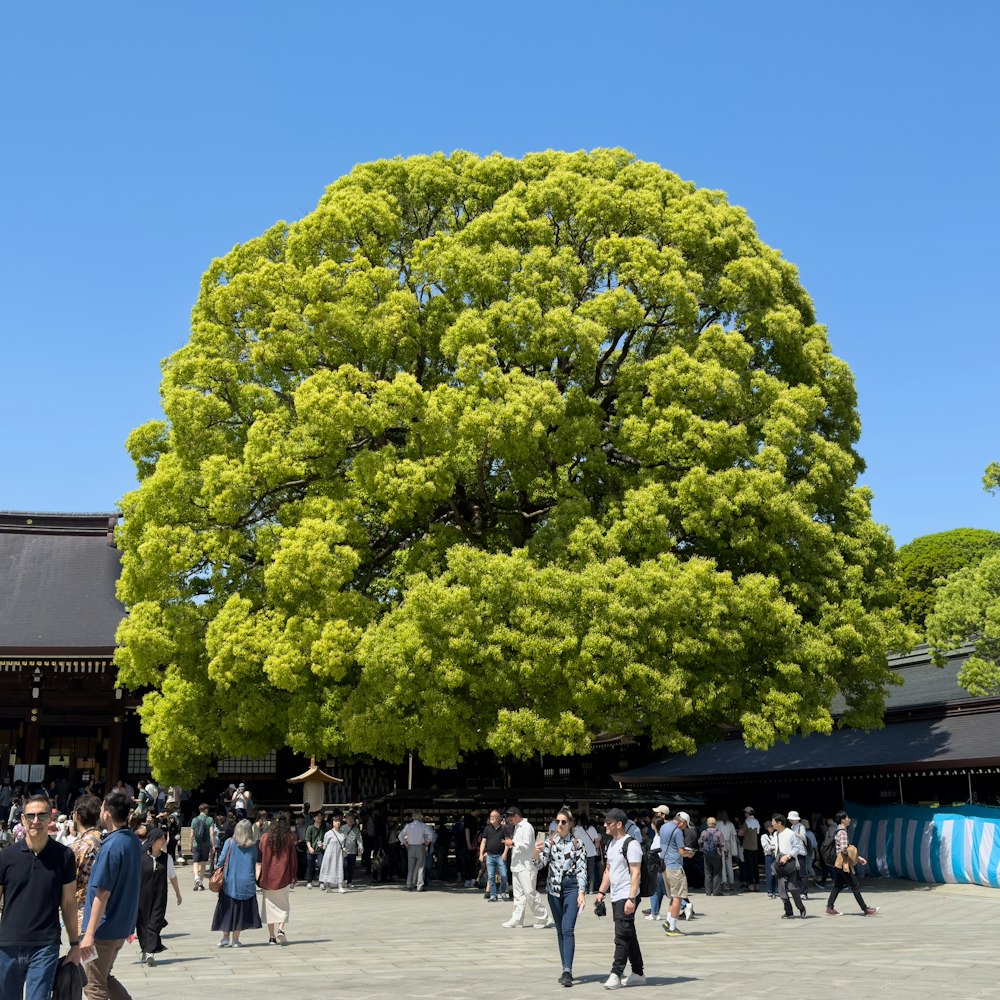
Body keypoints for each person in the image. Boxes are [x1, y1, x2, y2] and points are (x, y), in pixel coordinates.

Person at [0, 792, 81, 1000]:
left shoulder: (64, 856)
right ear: (23, 819)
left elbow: (69, 903)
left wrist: (74, 944)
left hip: (45, 945)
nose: (36, 821)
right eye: (31, 816)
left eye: (42, 815)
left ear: (51, 819)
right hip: (7, 944)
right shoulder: (6, 857)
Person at [80, 790, 142, 1000]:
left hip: (103, 929)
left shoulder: (111, 846)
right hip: (120, 925)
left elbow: (103, 892)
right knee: (104, 977)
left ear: (106, 813)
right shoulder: (131, 840)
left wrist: (89, 934)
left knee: (94, 986)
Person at [534, 807, 587, 988]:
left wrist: (581, 892)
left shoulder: (577, 843)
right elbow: (540, 865)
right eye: (558, 821)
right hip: (553, 890)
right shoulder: (550, 842)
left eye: (564, 822)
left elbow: (582, 869)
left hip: (571, 887)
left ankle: (567, 970)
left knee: (567, 929)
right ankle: (564, 968)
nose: (560, 825)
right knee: (559, 931)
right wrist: (536, 852)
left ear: (570, 824)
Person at [594, 807, 644, 990]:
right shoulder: (611, 844)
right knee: (629, 934)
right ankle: (638, 973)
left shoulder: (631, 844)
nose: (605, 825)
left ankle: (616, 973)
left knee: (621, 936)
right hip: (616, 895)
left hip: (627, 895)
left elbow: (636, 872)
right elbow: (608, 870)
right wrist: (601, 892)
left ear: (619, 824)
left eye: (608, 822)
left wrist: (631, 898)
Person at [211, 818, 261, 947]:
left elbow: (220, 861)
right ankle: (236, 940)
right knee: (241, 912)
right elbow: (255, 861)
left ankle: (225, 937)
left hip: (230, 882)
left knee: (227, 910)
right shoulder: (254, 845)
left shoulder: (230, 842)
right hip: (247, 882)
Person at [136, 828, 182, 967]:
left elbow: (172, 876)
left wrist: (178, 893)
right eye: (160, 839)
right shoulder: (141, 857)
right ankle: (145, 949)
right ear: (152, 841)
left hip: (160, 895)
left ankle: (150, 951)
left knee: (155, 922)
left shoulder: (166, 858)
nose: (163, 841)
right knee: (142, 923)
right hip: (142, 895)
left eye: (163, 839)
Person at [825, 810, 879, 917]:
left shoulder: (837, 831)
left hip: (838, 864)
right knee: (855, 886)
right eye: (847, 818)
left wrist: (858, 858)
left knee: (838, 886)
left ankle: (829, 907)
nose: (849, 820)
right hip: (844, 864)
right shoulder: (843, 833)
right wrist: (854, 853)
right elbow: (844, 849)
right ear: (842, 820)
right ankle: (866, 910)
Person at [502, 806, 547, 928]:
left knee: (530, 893)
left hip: (526, 866)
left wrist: (513, 843)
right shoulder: (517, 827)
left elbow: (527, 845)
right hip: (517, 865)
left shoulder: (527, 827)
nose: (510, 822)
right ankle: (517, 919)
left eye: (511, 819)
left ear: (516, 816)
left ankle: (543, 917)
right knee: (518, 895)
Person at [258, 812, 297, 944]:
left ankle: (271, 936)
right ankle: (281, 929)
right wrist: (293, 877)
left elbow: (260, 856)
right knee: (284, 906)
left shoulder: (264, 838)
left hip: (267, 878)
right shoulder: (289, 839)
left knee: (269, 907)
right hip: (284, 877)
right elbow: (292, 860)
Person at [69, 794, 103, 924]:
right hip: (104, 908)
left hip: (82, 912)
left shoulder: (78, 847)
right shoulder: (107, 841)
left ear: (77, 815)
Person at [659, 811, 693, 937]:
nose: (685, 828)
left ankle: (668, 921)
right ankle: (672, 927)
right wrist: (690, 854)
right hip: (675, 867)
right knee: (678, 896)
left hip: (664, 866)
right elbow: (681, 852)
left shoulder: (663, 827)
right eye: (685, 825)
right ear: (682, 822)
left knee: (673, 896)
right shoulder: (677, 831)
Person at [770, 813, 807, 919]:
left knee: (792, 888)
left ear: (779, 823)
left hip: (790, 864)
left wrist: (788, 856)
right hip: (780, 865)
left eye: (773, 822)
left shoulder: (790, 833)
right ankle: (789, 912)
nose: (772, 824)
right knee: (782, 891)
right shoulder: (776, 834)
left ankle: (801, 908)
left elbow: (797, 848)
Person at [478, 809, 509, 902]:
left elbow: (507, 842)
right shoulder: (487, 829)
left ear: (499, 818)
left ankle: (502, 891)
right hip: (490, 856)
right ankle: (493, 895)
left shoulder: (504, 829)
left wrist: (505, 853)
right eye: (491, 816)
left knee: (503, 875)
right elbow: (483, 842)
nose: (492, 818)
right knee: (491, 877)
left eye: (494, 816)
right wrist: (481, 853)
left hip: (500, 855)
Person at [401, 811, 431, 893]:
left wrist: (405, 843)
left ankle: (409, 884)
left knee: (411, 867)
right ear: (419, 817)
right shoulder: (423, 826)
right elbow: (430, 834)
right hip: (420, 847)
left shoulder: (408, 826)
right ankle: (419, 886)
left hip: (410, 847)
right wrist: (427, 842)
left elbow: (400, 835)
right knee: (421, 867)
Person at [319, 813, 347, 893]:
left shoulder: (342, 833)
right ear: (332, 823)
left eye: (338, 821)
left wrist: (344, 849)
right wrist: (320, 845)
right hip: (330, 854)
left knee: (339, 868)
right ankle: (328, 887)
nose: (337, 823)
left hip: (338, 854)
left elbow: (343, 845)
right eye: (335, 821)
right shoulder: (328, 833)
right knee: (328, 868)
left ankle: (340, 887)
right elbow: (324, 846)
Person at [699, 817, 727, 897]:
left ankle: (708, 891)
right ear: (715, 824)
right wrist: (726, 853)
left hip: (707, 855)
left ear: (707, 823)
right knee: (717, 873)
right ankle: (716, 892)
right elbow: (723, 844)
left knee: (708, 873)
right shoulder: (718, 833)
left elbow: (699, 841)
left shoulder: (704, 832)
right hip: (717, 855)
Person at [190, 803, 214, 891]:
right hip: (206, 844)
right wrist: (213, 845)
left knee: (195, 862)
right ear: (206, 810)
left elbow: (192, 834)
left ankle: (196, 877)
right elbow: (212, 833)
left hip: (197, 844)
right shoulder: (210, 819)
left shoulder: (194, 820)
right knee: (203, 863)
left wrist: (191, 844)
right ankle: (200, 883)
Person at [576, 813, 602, 892]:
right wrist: (596, 848)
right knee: (591, 872)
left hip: (581, 853)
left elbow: (576, 841)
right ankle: (591, 889)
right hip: (591, 852)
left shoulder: (577, 829)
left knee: (582, 871)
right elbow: (597, 841)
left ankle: (582, 888)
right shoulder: (592, 828)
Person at [738, 807, 760, 891]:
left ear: (747, 813)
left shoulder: (746, 822)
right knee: (755, 866)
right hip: (755, 846)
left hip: (747, 846)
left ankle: (751, 885)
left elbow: (740, 833)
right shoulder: (757, 822)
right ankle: (757, 885)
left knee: (749, 867)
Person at [715, 810, 738, 890]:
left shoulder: (717, 823)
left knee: (722, 865)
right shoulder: (730, 824)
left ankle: (724, 883)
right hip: (728, 845)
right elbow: (734, 835)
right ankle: (731, 883)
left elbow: (715, 834)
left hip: (721, 845)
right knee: (729, 864)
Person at [304, 811, 324, 888]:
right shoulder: (310, 828)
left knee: (321, 864)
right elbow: (307, 839)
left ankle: (321, 881)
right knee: (310, 865)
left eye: (320, 816)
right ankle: (309, 881)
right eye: (318, 816)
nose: (320, 817)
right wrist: (309, 847)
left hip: (320, 850)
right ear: (314, 818)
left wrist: (323, 845)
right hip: (311, 850)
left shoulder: (323, 828)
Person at [342, 812, 363, 887]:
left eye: (351, 819)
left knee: (351, 867)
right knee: (345, 865)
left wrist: (360, 846)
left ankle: (349, 881)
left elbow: (359, 838)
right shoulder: (343, 828)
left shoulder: (356, 828)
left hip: (353, 850)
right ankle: (344, 880)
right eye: (348, 819)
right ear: (346, 820)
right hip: (344, 850)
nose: (350, 821)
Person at [760, 819, 777, 898]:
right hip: (769, 856)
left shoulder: (776, 835)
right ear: (767, 828)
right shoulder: (764, 836)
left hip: (776, 856)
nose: (772, 828)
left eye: (772, 827)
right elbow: (766, 848)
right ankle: (770, 891)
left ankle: (776, 890)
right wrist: (774, 847)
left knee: (776, 874)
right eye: (770, 827)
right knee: (770, 874)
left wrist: (774, 847)